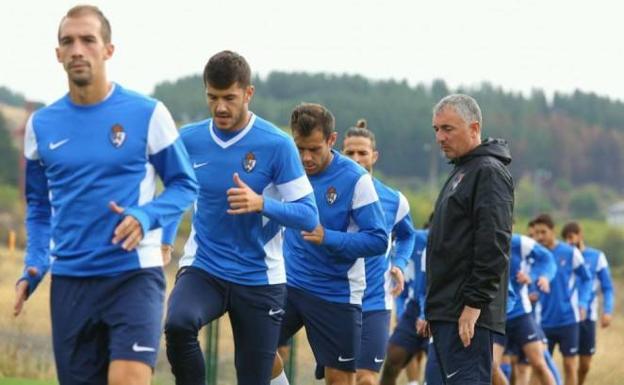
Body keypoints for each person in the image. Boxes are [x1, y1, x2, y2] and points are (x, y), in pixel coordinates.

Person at [13, 5, 199, 385]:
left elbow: (185, 185)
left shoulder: (148, 114)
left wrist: (146, 216)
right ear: (58, 54)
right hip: (71, 280)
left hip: (133, 275)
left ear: (108, 50)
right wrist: (35, 262)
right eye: (68, 41)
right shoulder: (41, 125)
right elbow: (38, 206)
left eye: (88, 40)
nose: (78, 49)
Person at [163, 51, 319, 385]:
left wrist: (262, 203)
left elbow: (309, 217)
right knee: (178, 323)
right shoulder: (189, 139)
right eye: (213, 97)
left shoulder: (277, 145)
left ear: (248, 94)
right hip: (205, 267)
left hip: (260, 278)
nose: (220, 107)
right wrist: (164, 237)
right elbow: (174, 193)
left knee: (254, 377)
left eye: (230, 98)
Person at [271, 103, 388, 385]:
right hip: (288, 283)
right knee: (257, 352)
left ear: (331, 140)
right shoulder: (286, 168)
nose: (306, 157)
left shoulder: (355, 179)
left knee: (340, 380)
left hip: (335, 293)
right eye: (300, 148)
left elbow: (379, 240)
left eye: (314, 149)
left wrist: (328, 237)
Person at [421, 94, 514, 385]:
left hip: (467, 316)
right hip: (446, 312)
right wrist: (433, 308)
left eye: (448, 129)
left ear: (474, 128)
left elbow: (494, 244)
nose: (440, 137)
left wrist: (473, 306)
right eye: (436, 129)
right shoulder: (463, 170)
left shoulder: (488, 171)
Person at [341, 119, 417, 385]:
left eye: (363, 152)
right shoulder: (327, 192)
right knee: (340, 379)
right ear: (340, 153)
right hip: (335, 299)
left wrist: (398, 262)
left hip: (375, 301)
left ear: (375, 156)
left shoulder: (393, 200)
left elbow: (408, 236)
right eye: (350, 152)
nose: (356, 158)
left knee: (366, 379)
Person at [531, 214, 592, 385]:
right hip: (542, 321)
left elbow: (587, 279)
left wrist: (583, 303)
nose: (540, 237)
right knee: (540, 366)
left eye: (543, 232)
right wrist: (532, 292)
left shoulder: (570, 252)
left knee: (569, 365)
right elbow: (530, 280)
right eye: (536, 233)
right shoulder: (535, 254)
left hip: (568, 320)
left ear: (553, 231)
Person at [492, 233, 558, 385]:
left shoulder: (519, 242)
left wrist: (538, 276)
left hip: (520, 314)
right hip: (495, 318)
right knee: (492, 366)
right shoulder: (479, 244)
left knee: (539, 364)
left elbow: (547, 259)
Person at [561, 221, 615, 385]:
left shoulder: (597, 257)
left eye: (571, 237)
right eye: (566, 239)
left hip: (588, 317)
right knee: (569, 362)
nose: (569, 242)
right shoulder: (565, 256)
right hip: (569, 316)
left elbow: (607, 287)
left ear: (580, 235)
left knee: (585, 364)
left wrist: (607, 311)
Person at [381, 219, 431, 385]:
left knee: (436, 369)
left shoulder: (425, 239)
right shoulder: (406, 243)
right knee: (393, 357)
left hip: (442, 307)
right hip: (415, 307)